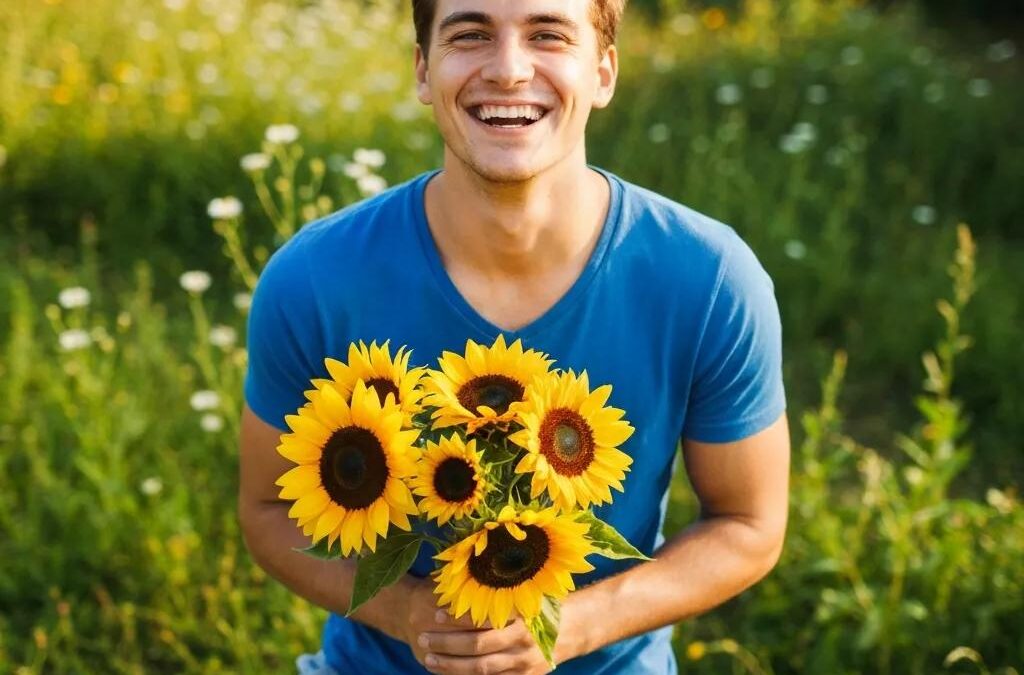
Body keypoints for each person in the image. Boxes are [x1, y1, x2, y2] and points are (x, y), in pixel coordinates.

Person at [238, 0, 791, 673]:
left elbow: (748, 524)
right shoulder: (314, 278)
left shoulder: (709, 279)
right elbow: (269, 509)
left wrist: (574, 625)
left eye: (548, 34)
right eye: (470, 34)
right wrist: (408, 612)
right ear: (422, 69)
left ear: (604, 72)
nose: (508, 69)